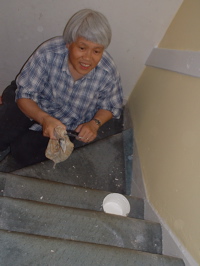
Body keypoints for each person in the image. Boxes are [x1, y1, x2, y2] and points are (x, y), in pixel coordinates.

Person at [0, 9, 123, 166]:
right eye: (82, 48)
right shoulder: (48, 52)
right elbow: (25, 95)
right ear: (69, 44)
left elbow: (111, 105)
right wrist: (44, 119)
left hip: (66, 122)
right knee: (5, 129)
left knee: (24, 153)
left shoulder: (108, 70)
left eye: (96, 51)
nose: (88, 58)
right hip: (34, 102)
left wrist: (94, 124)